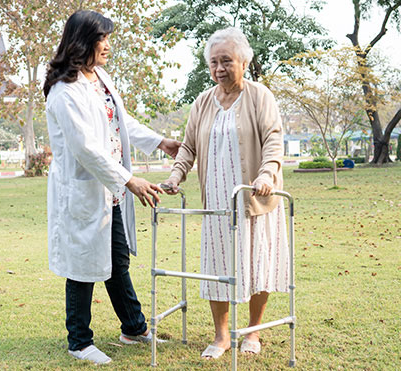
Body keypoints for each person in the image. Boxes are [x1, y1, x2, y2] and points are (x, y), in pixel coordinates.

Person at [43, 10, 181, 366]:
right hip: (85, 189)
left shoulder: (98, 78)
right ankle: (79, 341)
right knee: (83, 266)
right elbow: (85, 148)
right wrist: (128, 179)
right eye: (102, 38)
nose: (108, 45)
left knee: (117, 259)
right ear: (83, 42)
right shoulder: (64, 90)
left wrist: (159, 140)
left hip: (109, 189)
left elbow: (121, 121)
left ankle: (133, 328)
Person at [164, 27, 289, 360]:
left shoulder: (260, 96)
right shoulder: (203, 101)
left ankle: (253, 330)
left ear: (244, 63)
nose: (219, 68)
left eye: (227, 61)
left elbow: (274, 139)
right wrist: (175, 177)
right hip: (217, 203)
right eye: (214, 62)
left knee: (257, 265)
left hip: (253, 197)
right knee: (215, 267)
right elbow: (188, 146)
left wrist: (267, 174)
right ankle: (221, 336)